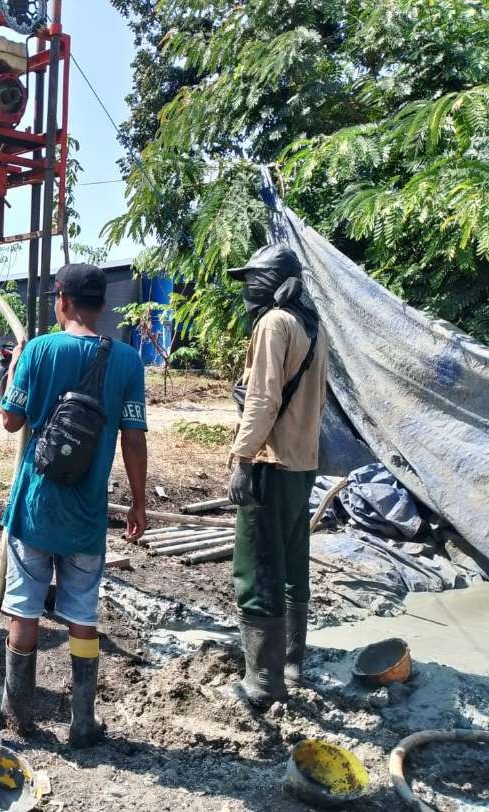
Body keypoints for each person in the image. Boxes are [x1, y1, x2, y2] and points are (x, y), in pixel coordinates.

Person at [0, 263, 148, 748]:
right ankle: (82, 721)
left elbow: (10, 422)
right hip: (86, 514)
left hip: (35, 508)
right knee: (83, 612)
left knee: (24, 609)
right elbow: (134, 437)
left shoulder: (38, 349)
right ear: (101, 305)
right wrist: (138, 502)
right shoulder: (127, 360)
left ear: (62, 300)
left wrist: (15, 368)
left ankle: (19, 715)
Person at [225, 243, 329, 707]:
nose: (248, 288)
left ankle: (263, 684)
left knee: (257, 566)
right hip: (303, 461)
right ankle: (291, 661)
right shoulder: (312, 325)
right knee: (291, 561)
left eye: (252, 279)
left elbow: (264, 401)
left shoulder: (273, 323)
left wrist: (242, 457)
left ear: (271, 280)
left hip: (270, 461)